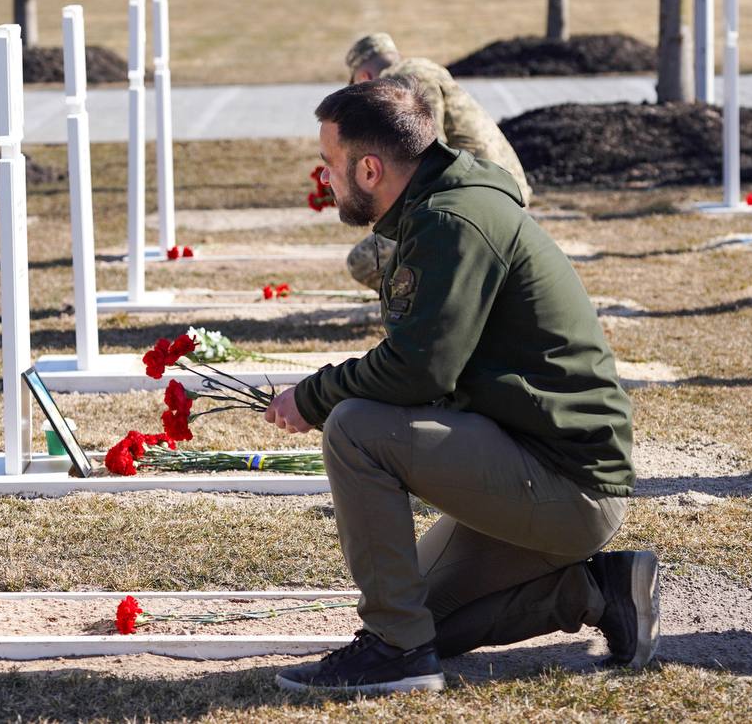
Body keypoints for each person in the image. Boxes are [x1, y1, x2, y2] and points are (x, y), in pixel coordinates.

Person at [264, 79, 656, 695]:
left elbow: (419, 370)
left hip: (566, 482)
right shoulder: (436, 205)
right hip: (536, 462)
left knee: (353, 427)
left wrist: (311, 398)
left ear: (370, 169)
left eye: (329, 165)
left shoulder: (450, 219)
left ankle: (395, 655)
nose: (325, 180)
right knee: (425, 618)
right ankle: (597, 593)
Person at [342, 32, 531, 291]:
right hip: (500, 190)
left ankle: (427, 310)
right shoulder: (419, 69)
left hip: (483, 201)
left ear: (364, 78)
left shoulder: (400, 80)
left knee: (365, 261)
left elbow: (428, 151)